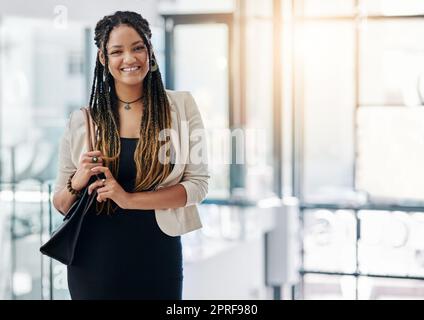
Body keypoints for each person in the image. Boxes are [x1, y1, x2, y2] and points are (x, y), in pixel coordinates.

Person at [52, 11, 209, 300]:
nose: (129, 58)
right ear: (103, 58)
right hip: (93, 260)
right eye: (117, 51)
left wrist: (128, 199)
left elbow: (197, 185)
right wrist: (79, 179)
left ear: (150, 51)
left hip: (158, 257)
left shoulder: (182, 106)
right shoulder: (82, 120)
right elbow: (61, 204)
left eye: (137, 47)